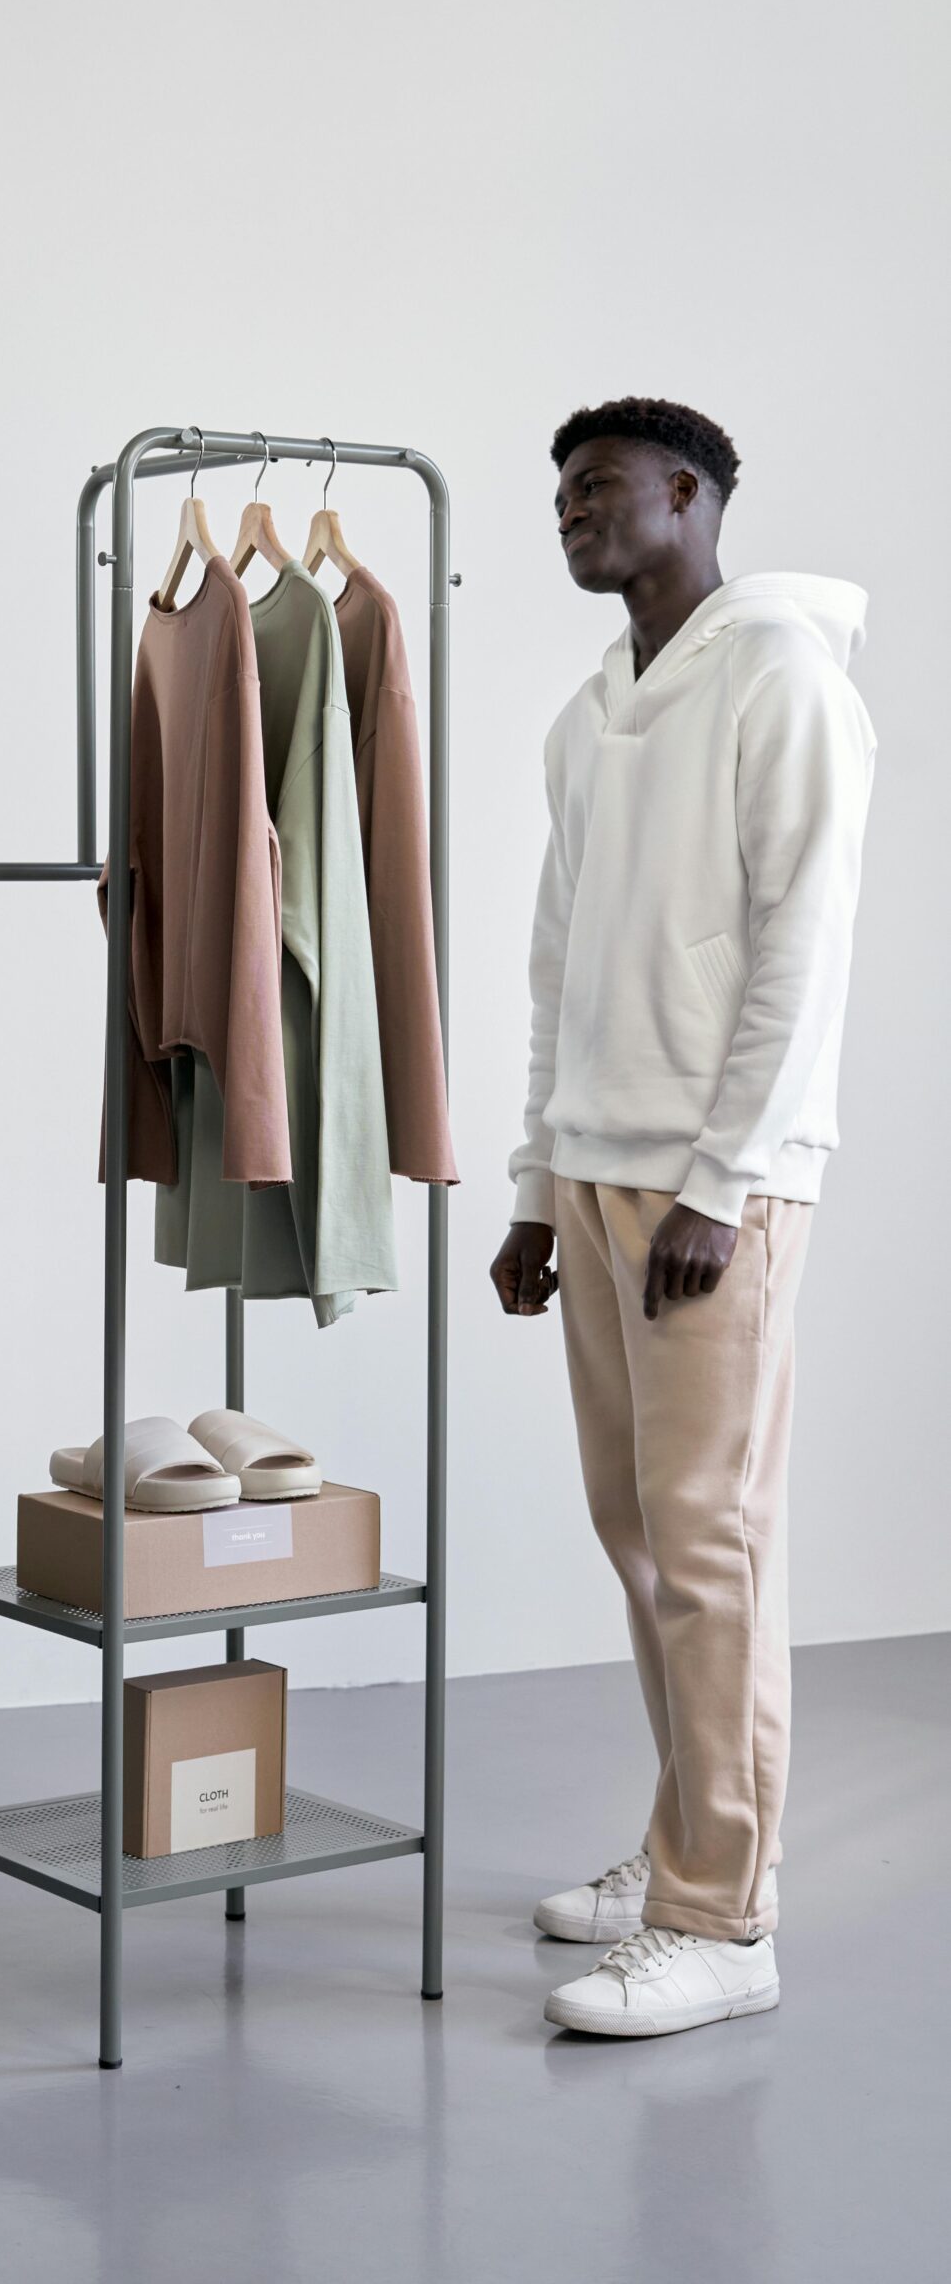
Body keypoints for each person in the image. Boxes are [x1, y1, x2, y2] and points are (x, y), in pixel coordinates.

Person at [490, 396, 876, 2040]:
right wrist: (533, 1183)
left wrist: (721, 1185)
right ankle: (681, 1845)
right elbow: (556, 967)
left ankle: (727, 1919)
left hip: (714, 1189)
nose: (574, 512)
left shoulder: (783, 674)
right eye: (561, 495)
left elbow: (805, 943)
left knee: (709, 1552)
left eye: (602, 488)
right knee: (642, 1543)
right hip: (596, 1171)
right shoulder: (589, 719)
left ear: (691, 495)